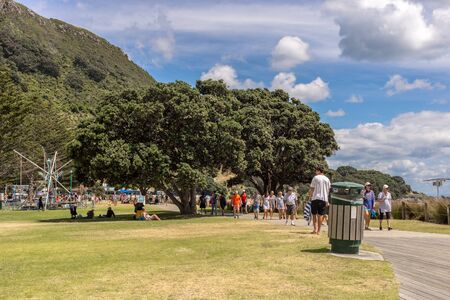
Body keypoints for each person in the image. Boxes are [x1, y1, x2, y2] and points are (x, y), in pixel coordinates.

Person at [308, 165, 331, 235]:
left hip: (315, 197)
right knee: (320, 215)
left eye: (316, 170)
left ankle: (314, 229)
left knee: (314, 214)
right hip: (323, 198)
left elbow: (312, 188)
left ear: (318, 171)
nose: (315, 172)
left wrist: (310, 196)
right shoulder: (327, 179)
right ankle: (319, 230)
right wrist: (327, 200)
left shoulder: (315, 177)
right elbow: (329, 189)